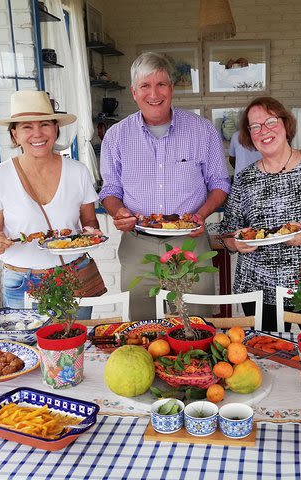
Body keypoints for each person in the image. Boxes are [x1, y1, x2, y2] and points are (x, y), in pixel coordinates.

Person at [99, 52, 230, 320]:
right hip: (137, 244)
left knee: (196, 324)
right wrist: (118, 212)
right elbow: (109, 190)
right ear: (134, 92)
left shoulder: (202, 130)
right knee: (141, 326)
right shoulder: (116, 136)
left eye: (161, 84)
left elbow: (219, 183)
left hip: (189, 242)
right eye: (145, 86)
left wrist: (201, 215)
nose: (154, 93)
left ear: (171, 88)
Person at [220, 96, 301, 331]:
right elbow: (227, 234)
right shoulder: (245, 178)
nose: (264, 131)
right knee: (268, 357)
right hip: (259, 287)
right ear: (249, 135)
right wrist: (236, 242)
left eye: (271, 122)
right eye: (255, 126)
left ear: (285, 124)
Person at [0, 90, 102, 309]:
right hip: (21, 281)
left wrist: (91, 232)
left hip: (72, 277)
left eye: (45, 124)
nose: (38, 133)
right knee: (26, 344)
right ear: (15, 135)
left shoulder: (78, 172)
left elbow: (90, 222)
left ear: (56, 129)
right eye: (27, 127)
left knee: (76, 342)